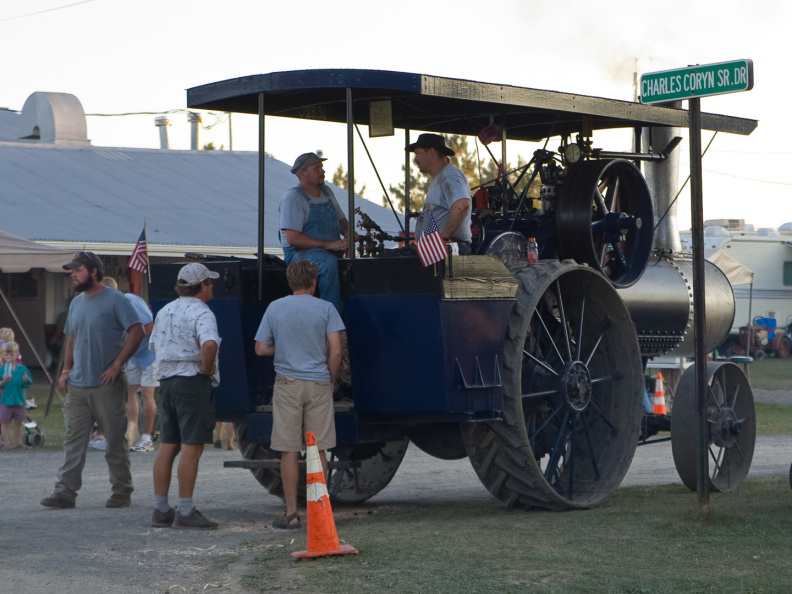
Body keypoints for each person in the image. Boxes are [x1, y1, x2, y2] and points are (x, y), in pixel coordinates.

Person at [41, 251, 144, 509]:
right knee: (73, 441)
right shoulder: (76, 303)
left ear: (93, 271)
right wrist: (66, 371)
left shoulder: (116, 300)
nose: (73, 276)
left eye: (77, 271)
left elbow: (137, 331)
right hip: (78, 385)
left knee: (114, 439)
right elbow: (71, 338)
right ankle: (64, 492)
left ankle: (121, 491)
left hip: (106, 384)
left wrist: (117, 365)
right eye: (72, 272)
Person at [254, 260, 345, 529]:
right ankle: (320, 510)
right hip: (318, 382)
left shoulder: (275, 307)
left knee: (289, 450)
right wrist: (331, 379)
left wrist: (284, 348)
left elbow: (260, 348)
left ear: (290, 282)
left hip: (287, 384)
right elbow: (336, 351)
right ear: (314, 282)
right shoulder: (326, 308)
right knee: (319, 448)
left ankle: (292, 513)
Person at [149, 263, 221, 529]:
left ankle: (161, 509)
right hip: (191, 380)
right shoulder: (202, 312)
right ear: (202, 286)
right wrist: (207, 367)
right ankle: (186, 510)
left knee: (168, 444)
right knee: (192, 445)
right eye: (210, 283)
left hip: (166, 381)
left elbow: (154, 345)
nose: (212, 287)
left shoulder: (166, 310)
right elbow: (210, 343)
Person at [279, 152, 354, 314]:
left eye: (321, 167)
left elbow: (343, 223)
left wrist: (349, 233)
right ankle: (330, 317)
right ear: (303, 173)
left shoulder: (327, 192)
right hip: (299, 254)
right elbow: (293, 239)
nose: (322, 171)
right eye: (317, 168)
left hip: (330, 251)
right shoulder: (293, 198)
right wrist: (329, 245)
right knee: (328, 264)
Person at [100, 277, 158, 453]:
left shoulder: (130, 301)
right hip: (131, 354)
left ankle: (147, 438)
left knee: (147, 392)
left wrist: (134, 339)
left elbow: (150, 325)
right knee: (129, 392)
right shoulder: (107, 308)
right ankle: (131, 435)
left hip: (150, 351)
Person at [407, 133, 473, 255]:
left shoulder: (450, 175)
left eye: (417, 154)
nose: (415, 159)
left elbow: (462, 205)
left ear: (431, 152)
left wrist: (443, 239)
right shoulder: (441, 177)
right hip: (438, 250)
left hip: (450, 250)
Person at [0, 341, 33, 449]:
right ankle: (6, 442)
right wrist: (4, 381)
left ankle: (18, 442)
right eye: (6, 354)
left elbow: (28, 383)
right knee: (4, 422)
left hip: (19, 400)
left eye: (11, 354)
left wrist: (26, 380)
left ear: (17, 355)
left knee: (19, 422)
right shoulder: (2, 369)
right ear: (3, 355)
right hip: (6, 400)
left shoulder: (22, 369)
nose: (9, 357)